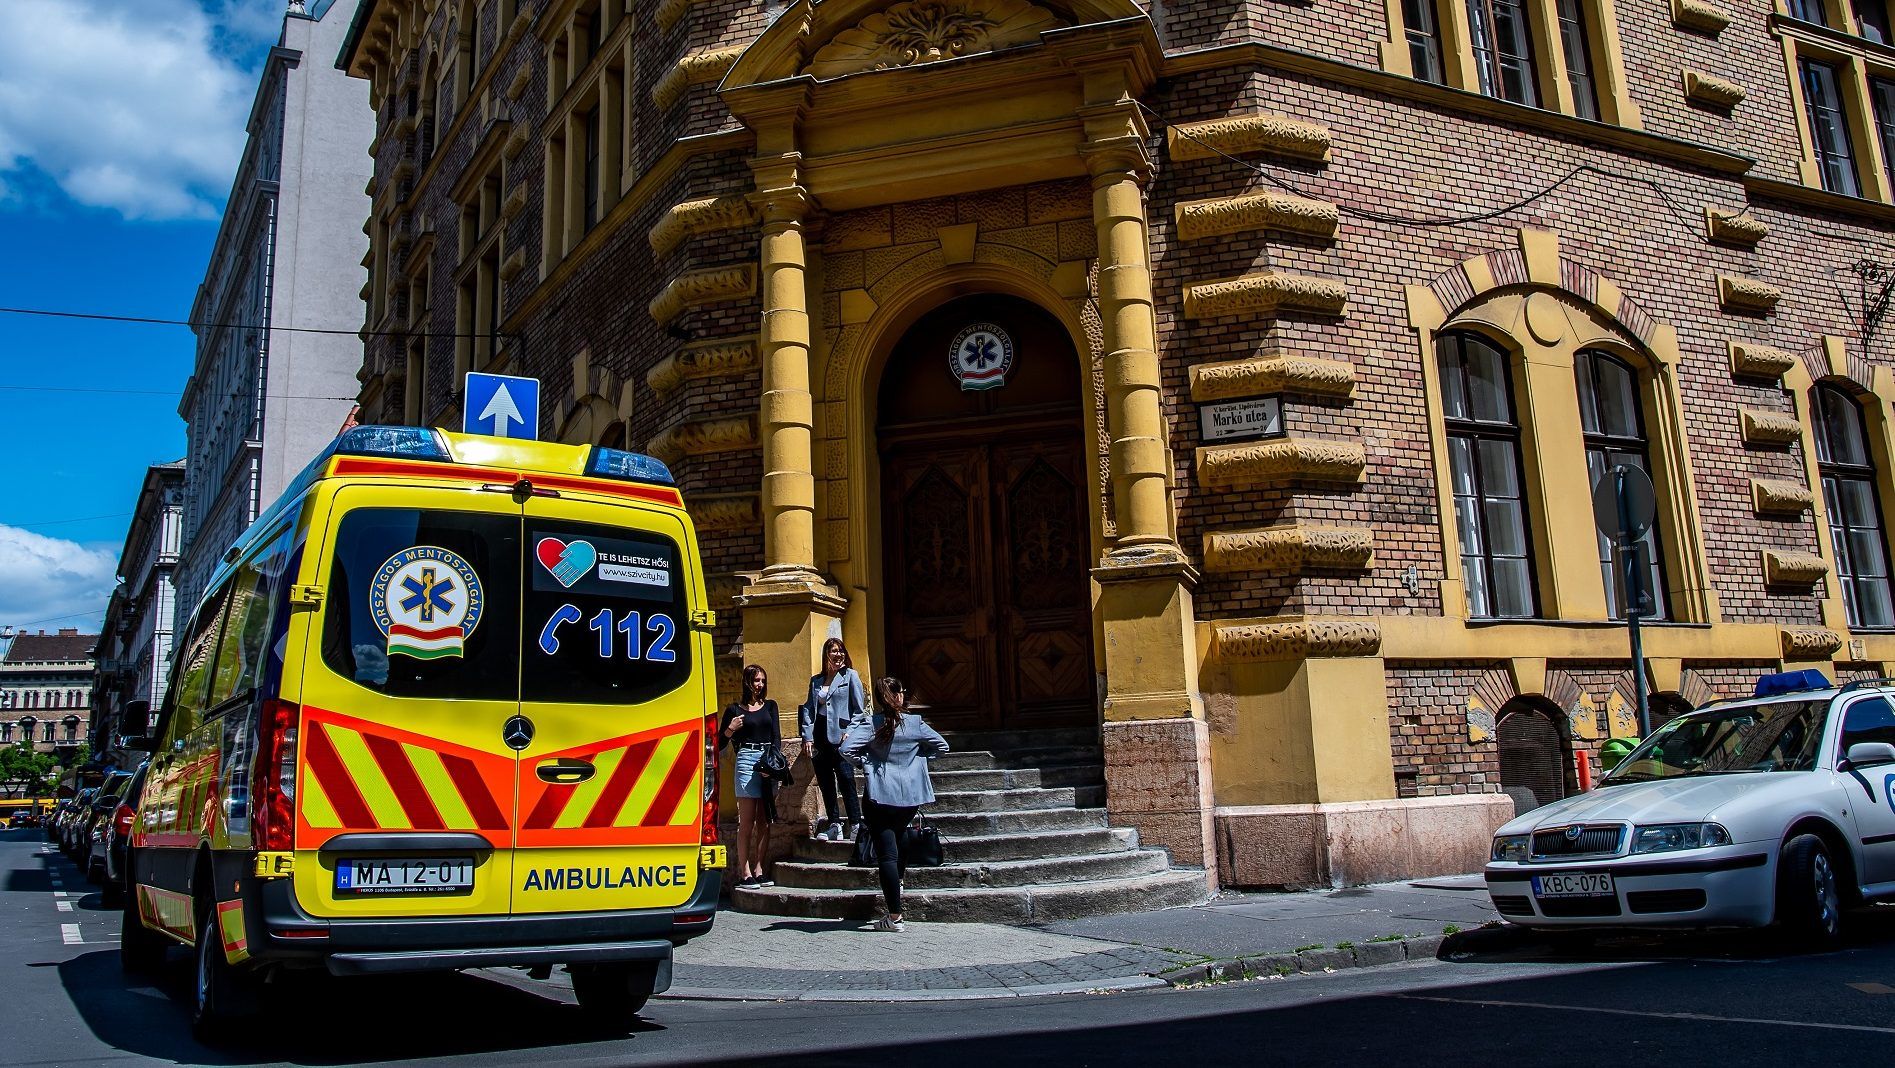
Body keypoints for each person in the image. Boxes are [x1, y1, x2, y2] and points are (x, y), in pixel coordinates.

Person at [843, 677, 949, 932]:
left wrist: (866, 763)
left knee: (887, 854)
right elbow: (943, 746)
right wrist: (918, 760)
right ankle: (898, 887)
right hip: (909, 797)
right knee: (900, 838)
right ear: (898, 696)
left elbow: (846, 749)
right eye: (902, 691)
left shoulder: (872, 724)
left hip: (879, 795)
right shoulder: (915, 724)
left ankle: (895, 916)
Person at [800, 638, 866, 841]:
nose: (838, 655)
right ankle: (834, 824)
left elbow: (859, 711)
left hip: (840, 738)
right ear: (826, 655)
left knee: (846, 780)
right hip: (819, 738)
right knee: (826, 782)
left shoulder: (850, 676)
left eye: (841, 651)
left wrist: (851, 731)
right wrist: (807, 736)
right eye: (834, 651)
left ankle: (855, 824)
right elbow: (809, 710)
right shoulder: (816, 680)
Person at [721, 664, 781, 888]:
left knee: (764, 821)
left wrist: (771, 764)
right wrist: (731, 728)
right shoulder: (735, 710)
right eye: (757, 680)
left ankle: (759, 868)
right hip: (746, 759)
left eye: (763, 681)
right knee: (746, 821)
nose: (760, 685)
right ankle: (744, 871)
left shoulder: (771, 706)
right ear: (747, 682)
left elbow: (777, 737)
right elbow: (720, 742)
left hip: (767, 759)